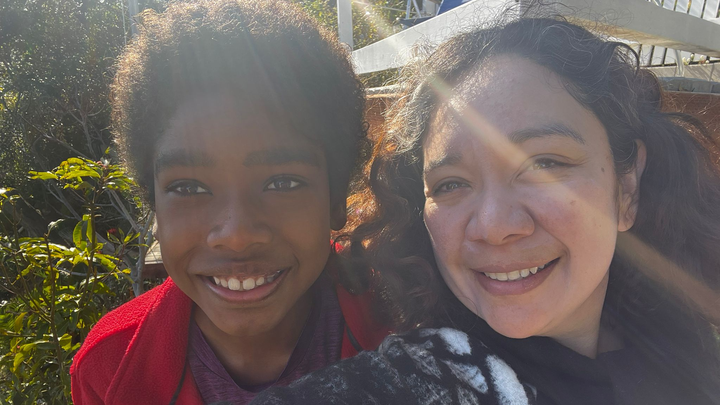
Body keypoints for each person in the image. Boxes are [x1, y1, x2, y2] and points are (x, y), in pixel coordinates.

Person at [252, 16, 720, 405]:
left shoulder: (695, 340)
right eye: (451, 184)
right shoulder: (418, 382)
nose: (493, 226)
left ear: (627, 187)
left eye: (544, 164)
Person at [69, 1, 389, 404]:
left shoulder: (407, 328)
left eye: (283, 183)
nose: (236, 236)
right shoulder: (108, 370)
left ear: (336, 199)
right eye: (188, 188)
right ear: (154, 205)